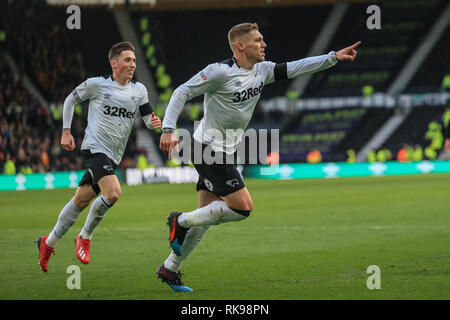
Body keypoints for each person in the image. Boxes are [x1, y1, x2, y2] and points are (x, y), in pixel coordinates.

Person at [157, 22, 360, 292]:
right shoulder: (219, 72)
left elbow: (295, 67)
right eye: (258, 40)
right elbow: (182, 91)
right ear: (240, 46)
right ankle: (179, 220)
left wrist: (332, 57)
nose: (263, 44)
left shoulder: (262, 71)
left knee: (207, 217)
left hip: (224, 150)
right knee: (242, 208)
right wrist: (169, 129)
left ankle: (170, 268)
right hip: (207, 149)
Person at [36, 41, 161, 273]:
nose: (132, 64)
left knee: (81, 200)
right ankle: (85, 236)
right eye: (127, 60)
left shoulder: (139, 91)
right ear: (114, 63)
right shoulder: (97, 85)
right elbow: (70, 99)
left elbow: (146, 118)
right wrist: (65, 131)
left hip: (113, 155)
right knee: (113, 193)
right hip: (95, 148)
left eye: (134, 60)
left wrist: (154, 123)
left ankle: (48, 242)